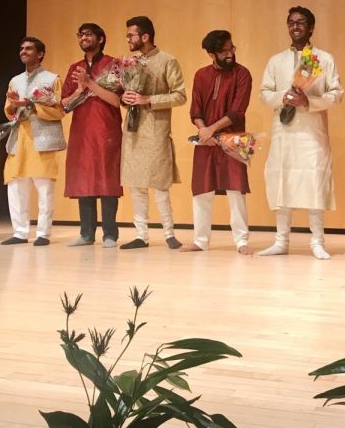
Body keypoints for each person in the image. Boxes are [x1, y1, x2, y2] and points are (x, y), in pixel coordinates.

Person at [258, 6, 344, 259]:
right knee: (281, 180)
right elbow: (264, 93)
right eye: (291, 22)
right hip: (283, 132)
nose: (295, 27)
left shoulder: (323, 59)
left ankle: (317, 242)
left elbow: (336, 93)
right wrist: (282, 96)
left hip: (311, 130)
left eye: (301, 23)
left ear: (311, 28)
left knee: (314, 181)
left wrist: (309, 102)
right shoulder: (276, 61)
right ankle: (281, 241)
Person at [180, 30, 253, 254]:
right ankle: (200, 241)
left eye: (232, 48)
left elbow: (237, 111)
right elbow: (196, 109)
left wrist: (211, 130)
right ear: (212, 55)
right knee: (201, 190)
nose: (231, 54)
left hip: (234, 138)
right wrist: (204, 132)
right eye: (224, 51)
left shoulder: (243, 74)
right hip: (206, 140)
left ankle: (241, 242)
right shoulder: (201, 75)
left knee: (236, 190)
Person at [119, 16, 186, 250]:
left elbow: (180, 95)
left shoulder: (168, 61)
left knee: (160, 185)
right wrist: (125, 98)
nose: (128, 39)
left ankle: (169, 233)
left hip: (156, 130)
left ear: (145, 37)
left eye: (131, 35)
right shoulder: (130, 64)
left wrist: (149, 99)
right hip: (133, 130)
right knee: (136, 185)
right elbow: (126, 94)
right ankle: (141, 235)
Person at [61, 23, 123, 248]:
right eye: (80, 35)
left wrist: (89, 83)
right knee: (84, 180)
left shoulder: (114, 65)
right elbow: (64, 105)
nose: (83, 38)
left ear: (101, 38)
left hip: (106, 129)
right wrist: (79, 89)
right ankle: (86, 234)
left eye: (88, 34)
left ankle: (110, 234)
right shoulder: (75, 68)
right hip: (81, 130)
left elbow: (117, 101)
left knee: (107, 179)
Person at [1, 37, 66, 246]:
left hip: (43, 136)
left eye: (29, 49)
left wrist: (30, 104)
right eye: (21, 49)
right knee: (16, 185)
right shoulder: (15, 80)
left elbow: (59, 111)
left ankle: (43, 233)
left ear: (40, 54)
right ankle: (20, 232)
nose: (24, 52)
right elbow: (8, 110)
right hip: (19, 137)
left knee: (44, 188)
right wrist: (12, 106)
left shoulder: (51, 78)